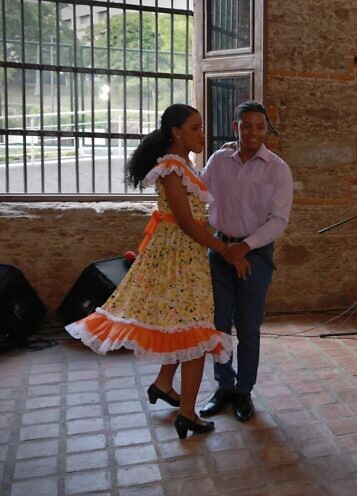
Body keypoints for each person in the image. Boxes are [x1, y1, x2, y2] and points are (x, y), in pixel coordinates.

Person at [65, 104, 249, 439]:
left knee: (181, 325)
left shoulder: (183, 165)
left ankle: (165, 384)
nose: (201, 134)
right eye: (195, 128)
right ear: (176, 132)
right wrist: (225, 250)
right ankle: (188, 414)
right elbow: (186, 222)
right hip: (178, 259)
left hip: (185, 257)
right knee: (194, 332)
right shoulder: (170, 167)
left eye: (202, 127)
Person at [198, 100, 293, 422]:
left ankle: (244, 391)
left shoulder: (277, 169)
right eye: (246, 125)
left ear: (267, 130)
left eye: (260, 126)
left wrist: (246, 246)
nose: (253, 132)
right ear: (235, 127)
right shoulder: (219, 160)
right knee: (219, 324)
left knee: (249, 327)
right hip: (220, 251)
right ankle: (223, 387)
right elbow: (199, 192)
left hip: (256, 255)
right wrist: (226, 249)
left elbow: (279, 220)